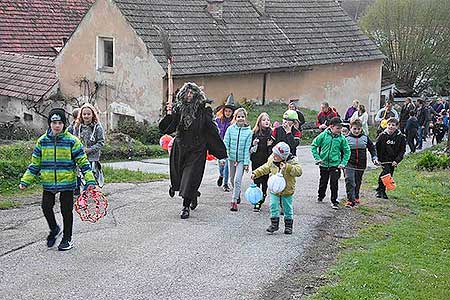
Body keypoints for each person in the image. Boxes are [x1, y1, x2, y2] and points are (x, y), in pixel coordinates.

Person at [19, 108, 97, 251]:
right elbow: (35, 164)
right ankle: (54, 229)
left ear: (64, 124)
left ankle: (67, 239)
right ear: (49, 123)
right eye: (54, 122)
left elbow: (83, 163)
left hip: (67, 182)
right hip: (48, 182)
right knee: (45, 207)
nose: (57, 125)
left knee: (66, 210)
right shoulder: (42, 142)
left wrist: (90, 180)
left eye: (60, 122)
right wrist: (26, 180)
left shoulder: (72, 141)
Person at [159, 82, 227, 219]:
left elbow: (211, 130)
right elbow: (167, 129)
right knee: (179, 177)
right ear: (183, 94)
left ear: (196, 95)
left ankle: (185, 206)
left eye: (192, 93)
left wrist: (219, 149)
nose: (189, 95)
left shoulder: (203, 110)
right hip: (180, 147)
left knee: (190, 178)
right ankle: (192, 194)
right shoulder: (178, 109)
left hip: (197, 149)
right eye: (187, 93)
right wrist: (169, 115)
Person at [251, 142, 302, 234]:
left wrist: (288, 167)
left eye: (277, 155)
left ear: (283, 157)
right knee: (273, 205)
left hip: (287, 190)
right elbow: (265, 168)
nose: (274, 156)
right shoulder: (272, 159)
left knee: (287, 208)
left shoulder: (292, 161)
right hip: (274, 189)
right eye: (274, 153)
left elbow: (299, 172)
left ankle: (288, 226)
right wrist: (256, 173)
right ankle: (274, 224)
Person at [311, 117, 350, 209]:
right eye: (338, 128)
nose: (340, 130)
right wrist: (317, 158)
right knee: (323, 182)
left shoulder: (342, 138)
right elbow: (314, 145)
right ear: (331, 127)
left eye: (341, 128)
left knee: (334, 183)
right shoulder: (323, 135)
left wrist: (343, 163)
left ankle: (334, 200)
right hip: (323, 164)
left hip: (335, 164)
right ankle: (321, 196)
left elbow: (347, 151)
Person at [223, 108, 253, 211]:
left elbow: (247, 149)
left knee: (237, 180)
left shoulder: (249, 132)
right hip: (231, 158)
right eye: (238, 116)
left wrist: (246, 163)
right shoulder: (230, 129)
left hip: (241, 160)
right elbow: (226, 143)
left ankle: (234, 201)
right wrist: (224, 157)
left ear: (245, 118)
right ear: (235, 118)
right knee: (231, 179)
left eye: (242, 117)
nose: (241, 118)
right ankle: (237, 192)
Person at [344, 119, 378, 207]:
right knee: (350, 180)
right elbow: (341, 151)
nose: (356, 131)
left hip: (361, 164)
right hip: (349, 163)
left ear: (361, 129)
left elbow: (372, 148)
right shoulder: (346, 139)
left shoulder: (365, 138)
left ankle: (356, 196)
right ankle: (350, 200)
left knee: (357, 181)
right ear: (350, 128)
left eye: (359, 129)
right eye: (354, 129)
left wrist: (374, 158)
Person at [72, 103, 105, 188]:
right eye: (84, 114)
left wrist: (89, 149)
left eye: (88, 114)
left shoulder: (98, 127)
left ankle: (87, 192)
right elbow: (74, 140)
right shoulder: (77, 126)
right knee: (79, 174)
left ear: (93, 115)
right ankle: (78, 189)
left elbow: (101, 142)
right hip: (80, 156)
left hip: (92, 157)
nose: (86, 116)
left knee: (89, 176)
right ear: (81, 115)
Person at [375, 118, 406, 199]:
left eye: (393, 125)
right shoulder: (382, 136)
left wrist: (397, 161)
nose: (391, 127)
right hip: (383, 159)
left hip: (393, 160)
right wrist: (376, 158)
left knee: (389, 175)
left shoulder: (401, 137)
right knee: (386, 173)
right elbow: (376, 147)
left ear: (397, 126)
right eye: (389, 125)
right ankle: (380, 191)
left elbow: (402, 151)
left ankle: (382, 189)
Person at [250, 112, 273, 212]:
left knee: (265, 181)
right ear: (259, 122)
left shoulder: (272, 133)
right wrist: (254, 144)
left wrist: (269, 146)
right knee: (257, 180)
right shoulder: (254, 133)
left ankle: (263, 196)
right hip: (256, 161)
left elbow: (273, 152)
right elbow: (250, 150)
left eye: (268, 120)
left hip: (266, 161)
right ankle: (257, 201)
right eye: (264, 120)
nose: (266, 121)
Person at [214, 94, 236, 192]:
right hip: (219, 145)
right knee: (221, 165)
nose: (228, 113)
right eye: (226, 111)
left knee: (227, 165)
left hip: (229, 147)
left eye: (230, 111)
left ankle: (226, 184)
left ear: (232, 113)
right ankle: (221, 175)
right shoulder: (218, 120)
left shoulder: (233, 123)